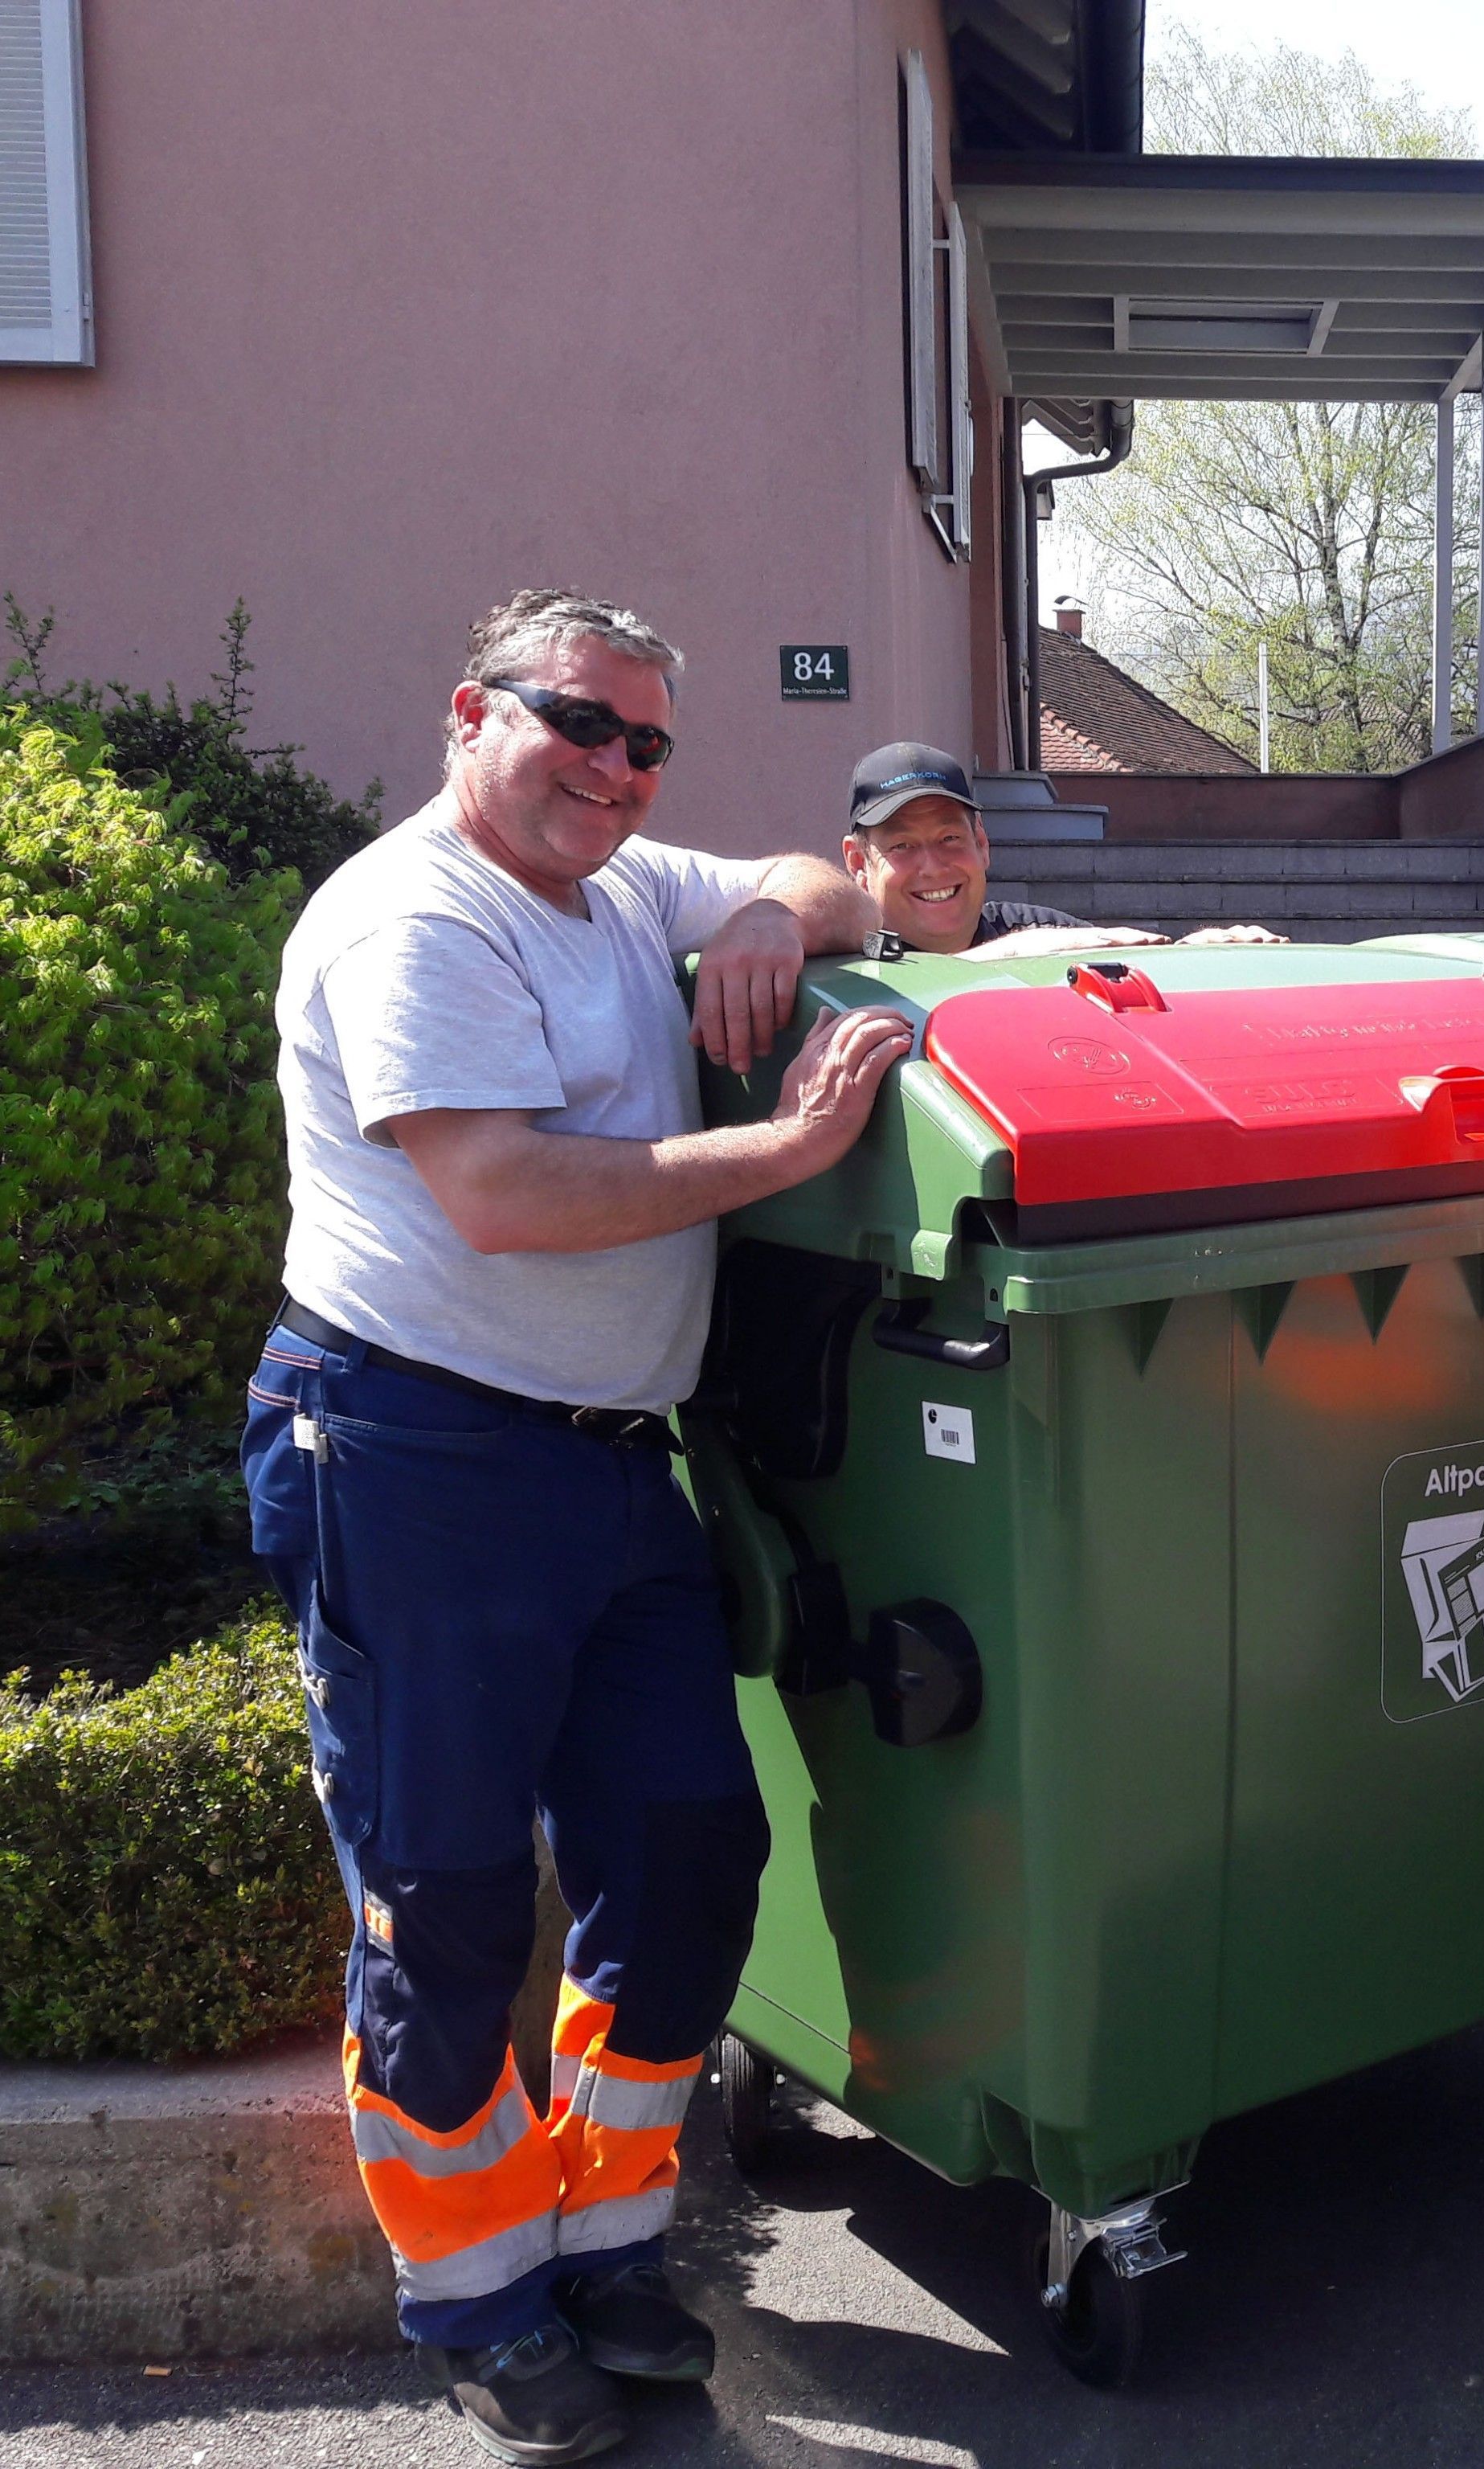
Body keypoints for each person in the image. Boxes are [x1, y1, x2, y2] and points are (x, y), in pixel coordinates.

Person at [242, 588, 908, 2466]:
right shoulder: (415, 916)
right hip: (413, 1449)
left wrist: (774, 907)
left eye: (645, 743)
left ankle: (609, 2238)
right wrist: (781, 1152)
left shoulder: (619, 877)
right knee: (445, 1890)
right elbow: (505, 1190)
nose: (613, 769)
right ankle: (477, 2293)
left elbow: (840, 879)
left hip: (613, 1463)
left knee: (691, 1845)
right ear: (472, 710)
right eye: (577, 723)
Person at [840, 740, 1282, 954]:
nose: (933, 866)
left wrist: (1196, 955)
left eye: (950, 838)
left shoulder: (1040, 929)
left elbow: (1134, 971)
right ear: (858, 864)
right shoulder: (846, 963)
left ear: (982, 845)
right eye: (902, 846)